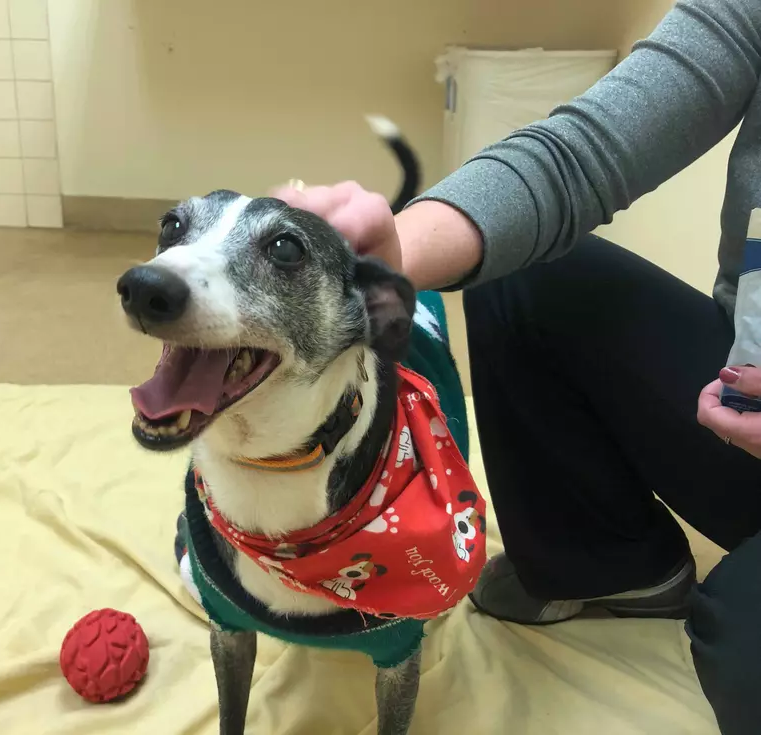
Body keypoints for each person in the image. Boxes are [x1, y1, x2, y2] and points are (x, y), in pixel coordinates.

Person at [271, 1, 761, 733]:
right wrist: (392, 256)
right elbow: (580, 152)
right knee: (520, 263)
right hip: (736, 409)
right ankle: (611, 566)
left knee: (740, 647)